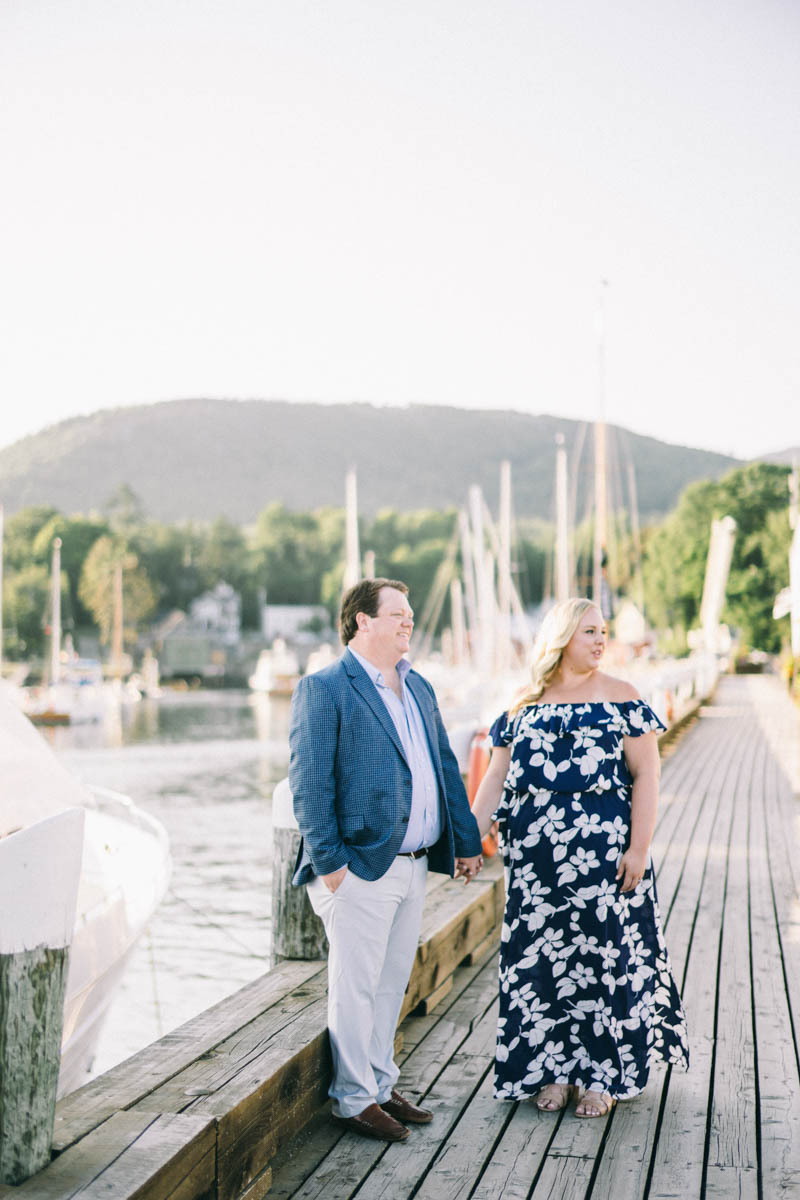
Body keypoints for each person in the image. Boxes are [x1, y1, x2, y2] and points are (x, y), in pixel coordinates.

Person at [471, 597, 689, 1117]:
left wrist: (639, 847)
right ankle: (552, 1073)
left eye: (603, 631)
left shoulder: (623, 698)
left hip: (604, 863)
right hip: (535, 872)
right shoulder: (523, 704)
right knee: (544, 968)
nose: (600, 640)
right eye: (589, 630)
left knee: (601, 965)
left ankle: (601, 1077)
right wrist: (466, 842)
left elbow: (647, 776)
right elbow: (495, 781)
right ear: (562, 635)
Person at [289, 577, 484, 1142]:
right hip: (359, 866)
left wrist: (465, 840)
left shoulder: (417, 686)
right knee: (355, 985)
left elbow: (443, 766)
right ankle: (352, 1100)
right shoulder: (324, 689)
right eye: (398, 614)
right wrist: (333, 867)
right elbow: (308, 786)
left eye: (410, 614)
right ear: (362, 621)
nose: (409, 622)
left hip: (415, 862)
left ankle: (378, 1083)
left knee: (391, 980)